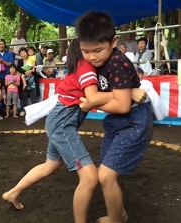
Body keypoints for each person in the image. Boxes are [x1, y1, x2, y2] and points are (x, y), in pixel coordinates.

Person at [2, 38, 116, 223]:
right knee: (89, 177)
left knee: (51, 165)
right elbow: (93, 99)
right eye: (91, 49)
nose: (95, 53)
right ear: (83, 51)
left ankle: (12, 193)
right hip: (62, 123)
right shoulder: (85, 67)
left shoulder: (79, 66)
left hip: (59, 121)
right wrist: (123, 94)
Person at [76, 11, 153, 223]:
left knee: (106, 176)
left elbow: (122, 106)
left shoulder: (117, 63)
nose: (92, 56)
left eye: (98, 50)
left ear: (114, 42)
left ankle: (116, 219)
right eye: (86, 51)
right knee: (105, 174)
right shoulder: (92, 63)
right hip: (114, 122)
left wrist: (92, 102)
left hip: (133, 122)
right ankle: (120, 214)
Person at [17, 47, 38, 117]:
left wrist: (31, 71)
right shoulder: (20, 61)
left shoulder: (31, 59)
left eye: (24, 52)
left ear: (27, 52)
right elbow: (19, 69)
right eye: (21, 53)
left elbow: (35, 67)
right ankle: (23, 110)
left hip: (32, 80)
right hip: (24, 81)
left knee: (33, 96)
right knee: (23, 96)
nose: (23, 54)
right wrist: (25, 72)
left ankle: (35, 111)